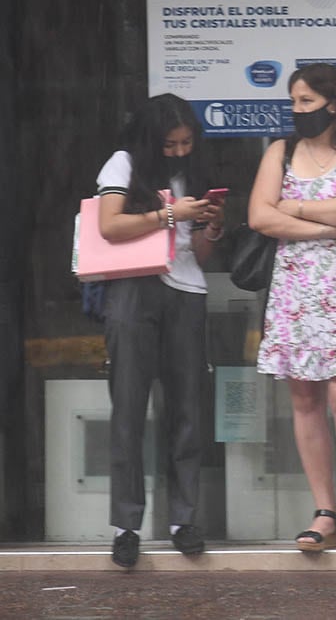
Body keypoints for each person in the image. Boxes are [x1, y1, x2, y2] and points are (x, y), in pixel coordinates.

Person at [248, 62, 336, 553]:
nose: (297, 111)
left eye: (305, 102)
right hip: (295, 289)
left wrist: (297, 208)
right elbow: (259, 215)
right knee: (304, 401)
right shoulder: (280, 151)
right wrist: (328, 227)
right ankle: (325, 511)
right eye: (293, 102)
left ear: (333, 102)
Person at [96, 93, 225, 568]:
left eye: (186, 143)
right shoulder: (124, 164)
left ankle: (183, 520)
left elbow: (202, 255)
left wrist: (211, 226)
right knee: (128, 408)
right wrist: (172, 215)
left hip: (187, 289)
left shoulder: (196, 172)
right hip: (133, 289)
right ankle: (126, 525)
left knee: (187, 406)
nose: (179, 152)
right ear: (152, 139)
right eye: (170, 144)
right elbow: (110, 226)